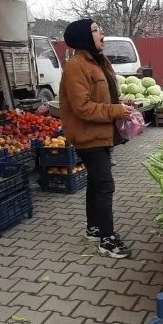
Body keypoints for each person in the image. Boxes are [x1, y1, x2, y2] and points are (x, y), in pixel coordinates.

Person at [58, 19, 134, 259]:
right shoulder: (76, 67)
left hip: (101, 134)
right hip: (87, 136)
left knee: (95, 183)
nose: (102, 33)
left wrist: (121, 105)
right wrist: (115, 111)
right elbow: (82, 107)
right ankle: (107, 240)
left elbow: (105, 96)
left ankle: (94, 228)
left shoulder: (97, 61)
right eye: (95, 30)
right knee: (104, 185)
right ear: (83, 37)